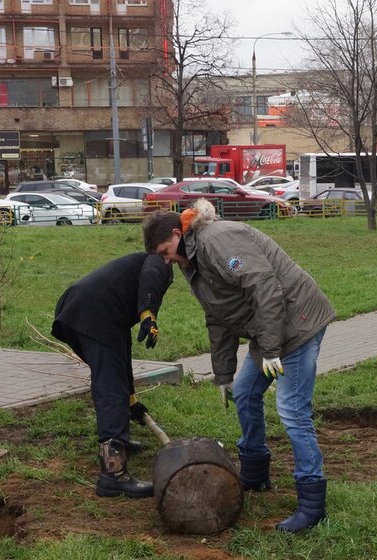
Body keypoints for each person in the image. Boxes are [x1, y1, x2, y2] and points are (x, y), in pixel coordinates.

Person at [142, 199, 336, 533]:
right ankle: (256, 472)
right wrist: (223, 375)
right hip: (270, 328)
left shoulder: (217, 240)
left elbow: (266, 288)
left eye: (164, 252)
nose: (166, 260)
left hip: (298, 323)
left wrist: (271, 350)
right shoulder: (191, 260)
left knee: (292, 409)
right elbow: (217, 316)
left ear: (177, 234)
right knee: (244, 393)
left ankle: (312, 502)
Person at [51, 253, 172, 498]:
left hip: (84, 309)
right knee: (111, 388)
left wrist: (132, 401)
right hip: (94, 314)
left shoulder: (132, 272)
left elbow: (122, 354)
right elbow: (151, 274)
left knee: (113, 378)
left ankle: (119, 444)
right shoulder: (161, 259)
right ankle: (113, 473)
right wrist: (148, 315)